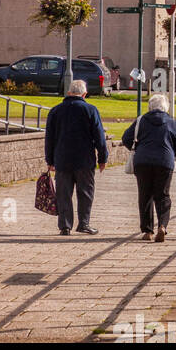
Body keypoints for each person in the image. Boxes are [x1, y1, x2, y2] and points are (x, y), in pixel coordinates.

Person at [44, 80, 109, 236]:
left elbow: (49, 138)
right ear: (84, 94)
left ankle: (65, 226)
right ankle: (84, 223)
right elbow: (99, 137)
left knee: (63, 193)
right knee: (85, 192)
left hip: (62, 159)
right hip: (84, 160)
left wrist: (50, 160)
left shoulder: (55, 111)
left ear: (68, 92)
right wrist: (102, 158)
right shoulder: (91, 110)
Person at [121, 94, 176, 242]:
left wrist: (137, 148)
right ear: (165, 107)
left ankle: (147, 231)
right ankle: (162, 226)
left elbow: (126, 138)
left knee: (145, 195)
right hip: (164, 161)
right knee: (163, 195)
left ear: (150, 107)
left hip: (142, 162)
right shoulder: (171, 122)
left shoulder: (141, 120)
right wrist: (172, 154)